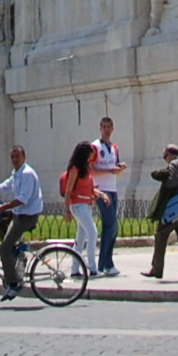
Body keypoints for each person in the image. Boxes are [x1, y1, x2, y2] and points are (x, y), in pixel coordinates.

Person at [0, 146, 43, 301]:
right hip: (18, 213)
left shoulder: (27, 174)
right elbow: (4, 186)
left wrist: (1, 207)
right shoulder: (17, 173)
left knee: (3, 249)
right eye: (12, 157)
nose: (14, 160)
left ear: (24, 157)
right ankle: (16, 256)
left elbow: (22, 199)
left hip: (27, 216)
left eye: (17, 156)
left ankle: (14, 284)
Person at [143, 145, 178, 282]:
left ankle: (157, 268)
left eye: (165, 153)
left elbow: (171, 182)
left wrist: (161, 175)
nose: (164, 156)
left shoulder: (174, 164)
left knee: (161, 234)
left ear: (171, 155)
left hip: (175, 208)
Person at [58, 141, 102, 270]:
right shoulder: (75, 169)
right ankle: (92, 267)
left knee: (81, 238)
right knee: (93, 233)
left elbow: (90, 188)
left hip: (86, 205)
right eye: (91, 152)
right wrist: (67, 210)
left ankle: (75, 269)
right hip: (78, 205)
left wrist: (99, 195)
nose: (93, 154)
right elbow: (68, 191)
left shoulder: (87, 168)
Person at [90, 116, 126, 277]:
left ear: (112, 129)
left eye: (109, 126)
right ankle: (105, 263)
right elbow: (91, 169)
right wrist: (110, 171)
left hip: (112, 188)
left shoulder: (114, 148)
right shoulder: (95, 147)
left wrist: (119, 168)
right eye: (104, 126)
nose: (106, 129)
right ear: (100, 128)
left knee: (110, 227)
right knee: (112, 224)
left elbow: (115, 166)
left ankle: (105, 263)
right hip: (101, 189)